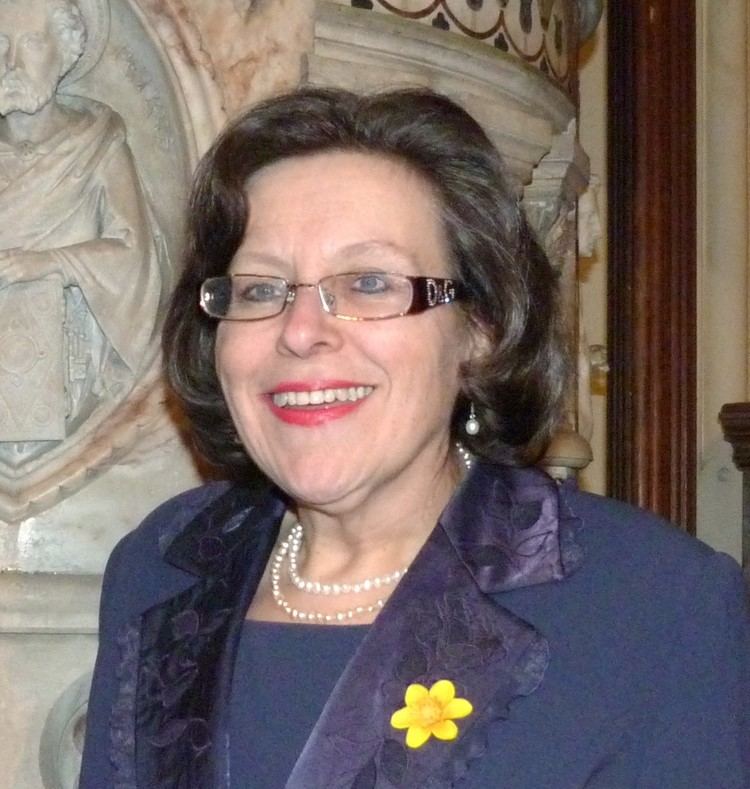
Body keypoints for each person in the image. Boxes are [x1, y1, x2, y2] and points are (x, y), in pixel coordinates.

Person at [79, 87, 750, 789]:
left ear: (480, 329)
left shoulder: (653, 603)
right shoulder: (160, 567)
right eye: (259, 290)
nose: (301, 331)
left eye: (369, 283)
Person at [0, 0, 165, 454]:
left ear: (65, 52)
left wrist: (49, 262)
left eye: (31, 42)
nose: (11, 63)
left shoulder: (96, 142)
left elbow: (132, 252)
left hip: (65, 360)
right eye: (0, 44)